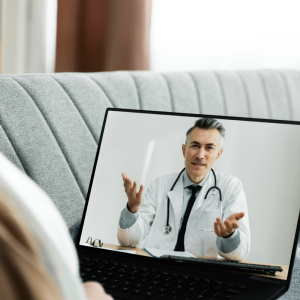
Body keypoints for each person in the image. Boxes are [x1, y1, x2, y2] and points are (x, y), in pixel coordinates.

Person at [117, 118, 250, 262]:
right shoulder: (159, 185)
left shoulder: (230, 187)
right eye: (195, 145)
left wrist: (229, 236)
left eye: (209, 148)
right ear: (184, 150)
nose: (200, 155)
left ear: (218, 154)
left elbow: (240, 253)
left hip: (202, 275)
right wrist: (132, 210)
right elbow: (128, 242)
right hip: (157, 268)